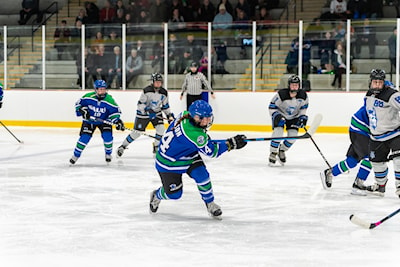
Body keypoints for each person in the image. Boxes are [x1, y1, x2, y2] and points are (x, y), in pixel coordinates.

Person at [149, 100, 248, 219]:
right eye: (201, 117)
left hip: (188, 154)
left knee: (202, 175)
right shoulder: (194, 134)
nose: (206, 121)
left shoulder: (185, 115)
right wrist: (231, 144)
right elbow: (212, 152)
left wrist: (227, 142)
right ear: (193, 116)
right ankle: (156, 195)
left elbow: (205, 143)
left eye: (208, 117)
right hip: (169, 163)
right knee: (174, 195)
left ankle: (210, 203)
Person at [117, 73, 174, 157]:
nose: (158, 83)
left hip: (156, 113)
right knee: (136, 133)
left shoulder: (164, 92)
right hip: (143, 114)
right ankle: (122, 146)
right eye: (156, 82)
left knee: (161, 129)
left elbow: (165, 106)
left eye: (160, 82)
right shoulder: (146, 91)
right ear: (153, 82)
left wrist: (169, 115)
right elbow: (140, 104)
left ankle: (156, 146)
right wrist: (148, 110)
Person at [69, 79, 125, 165]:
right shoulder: (88, 97)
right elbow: (78, 104)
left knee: (108, 137)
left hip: (104, 121)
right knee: (84, 138)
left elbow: (114, 112)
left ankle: (108, 154)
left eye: (103, 89)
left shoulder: (109, 100)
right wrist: (83, 111)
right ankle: (76, 155)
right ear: (96, 89)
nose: (102, 91)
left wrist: (117, 121)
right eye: (100, 89)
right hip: (89, 121)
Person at [363, 69, 400, 197]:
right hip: (376, 136)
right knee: (377, 163)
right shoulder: (368, 94)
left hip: (395, 134)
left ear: (384, 83)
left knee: (399, 159)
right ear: (371, 82)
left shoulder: (391, 95)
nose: (377, 85)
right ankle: (380, 186)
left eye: (380, 82)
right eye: (375, 82)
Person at [320, 105, 371, 195]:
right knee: (370, 157)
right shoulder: (388, 97)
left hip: (360, 127)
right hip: (361, 127)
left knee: (352, 160)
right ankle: (358, 185)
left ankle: (330, 173)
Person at [268, 74, 309, 166]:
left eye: (296, 85)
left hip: (294, 117)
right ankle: (273, 153)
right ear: (289, 85)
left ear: (299, 86)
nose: (294, 86)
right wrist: (277, 116)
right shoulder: (281, 94)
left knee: (293, 137)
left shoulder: (303, 95)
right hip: (280, 115)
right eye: (292, 84)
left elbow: (303, 108)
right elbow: (271, 107)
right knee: (278, 132)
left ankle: (281, 150)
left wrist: (302, 117)